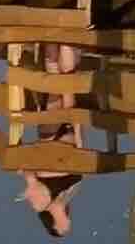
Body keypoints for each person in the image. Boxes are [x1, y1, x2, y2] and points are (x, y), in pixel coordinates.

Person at [18, 43, 84, 236]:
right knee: (67, 80)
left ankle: (55, 39)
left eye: (64, 228)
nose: (69, 223)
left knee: (56, 82)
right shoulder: (67, 196)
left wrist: (28, 177)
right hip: (69, 132)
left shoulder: (40, 204)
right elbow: (82, 163)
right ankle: (62, 40)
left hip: (53, 136)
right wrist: (78, 128)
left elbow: (29, 175)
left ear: (53, 225)